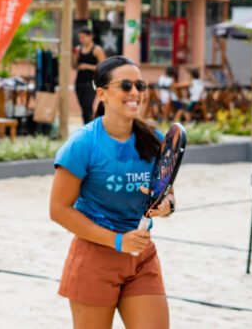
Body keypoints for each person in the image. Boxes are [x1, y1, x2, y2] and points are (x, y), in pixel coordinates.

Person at [50, 56, 175, 329]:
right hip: (94, 256)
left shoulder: (153, 138)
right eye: (126, 85)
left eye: (140, 85)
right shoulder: (83, 143)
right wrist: (118, 241)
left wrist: (165, 206)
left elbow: (168, 193)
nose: (135, 93)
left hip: (141, 256)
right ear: (102, 93)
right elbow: (58, 210)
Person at [72, 27, 106, 124]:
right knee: (83, 107)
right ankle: (86, 127)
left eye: (83, 37)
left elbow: (102, 66)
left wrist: (87, 66)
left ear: (90, 37)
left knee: (88, 106)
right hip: (79, 82)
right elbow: (74, 66)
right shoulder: (78, 49)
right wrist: (74, 56)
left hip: (91, 82)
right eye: (80, 38)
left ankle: (90, 127)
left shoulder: (97, 50)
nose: (81, 40)